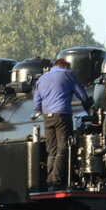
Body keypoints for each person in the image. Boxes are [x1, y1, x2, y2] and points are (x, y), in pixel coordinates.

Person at [33, 57, 92, 190]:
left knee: (52, 149)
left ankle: (50, 181)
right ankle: (56, 179)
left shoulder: (42, 78)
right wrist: (88, 108)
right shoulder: (67, 74)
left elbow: (37, 102)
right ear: (65, 66)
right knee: (64, 147)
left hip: (47, 117)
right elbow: (82, 95)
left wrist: (40, 110)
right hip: (62, 115)